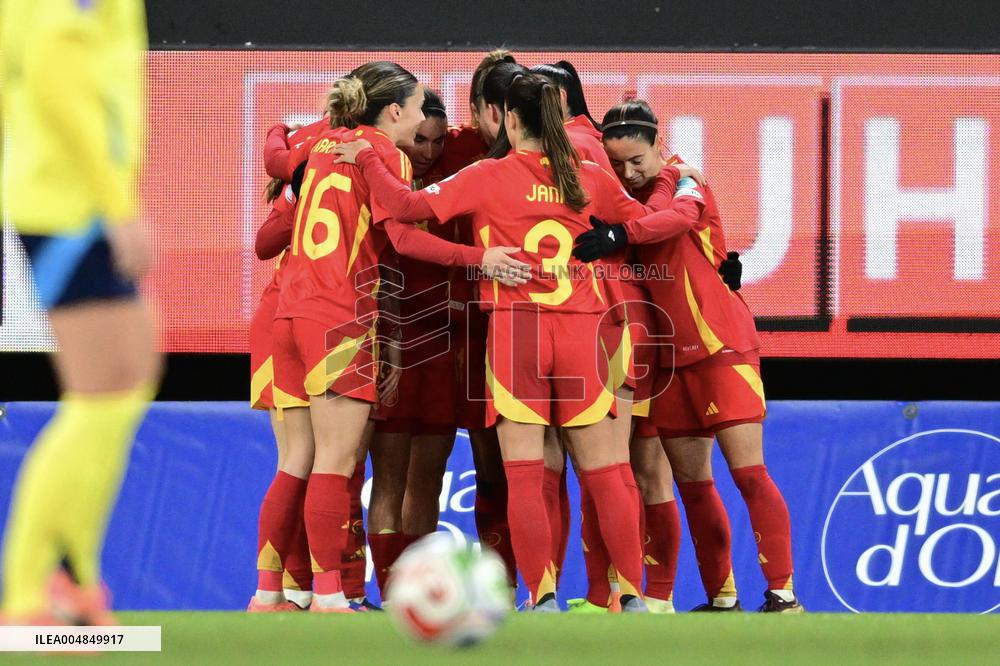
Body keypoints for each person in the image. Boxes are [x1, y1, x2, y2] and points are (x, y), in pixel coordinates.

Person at [334, 74, 661, 613]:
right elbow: (645, 223)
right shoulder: (590, 175)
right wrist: (674, 181)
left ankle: (542, 594)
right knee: (607, 472)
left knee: (526, 475)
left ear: (509, 119)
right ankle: (631, 596)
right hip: (582, 329)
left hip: (517, 332)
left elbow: (404, 207)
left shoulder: (486, 174)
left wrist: (368, 156)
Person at [574, 99, 804, 614]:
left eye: (637, 161)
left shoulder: (683, 179)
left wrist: (620, 233)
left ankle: (784, 594)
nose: (628, 173)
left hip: (721, 346)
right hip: (669, 362)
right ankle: (722, 598)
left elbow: (676, 220)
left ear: (659, 143)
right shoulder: (625, 198)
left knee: (749, 473)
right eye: (618, 165)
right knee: (692, 484)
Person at [0, 0, 160, 625]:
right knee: (102, 395)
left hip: (73, 196)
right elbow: (54, 74)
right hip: (68, 202)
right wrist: (116, 205)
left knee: (124, 384)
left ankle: (73, 581)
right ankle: (27, 596)